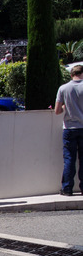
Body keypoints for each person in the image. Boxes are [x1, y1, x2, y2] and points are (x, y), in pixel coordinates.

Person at [55, 64, 83, 196]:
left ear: (72, 74)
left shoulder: (63, 88)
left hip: (69, 128)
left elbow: (57, 111)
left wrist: (67, 106)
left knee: (69, 158)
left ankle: (67, 188)